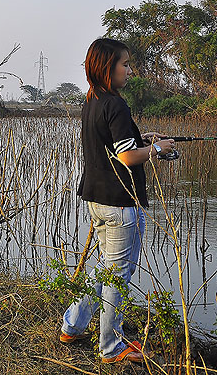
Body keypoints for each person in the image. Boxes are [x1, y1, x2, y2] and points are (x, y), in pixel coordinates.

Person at [59, 38, 176, 364]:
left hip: (97, 199)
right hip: (121, 203)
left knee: (106, 271)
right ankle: (111, 347)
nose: (129, 69)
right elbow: (126, 156)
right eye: (124, 64)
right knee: (118, 276)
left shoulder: (93, 100)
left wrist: (144, 139)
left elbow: (114, 144)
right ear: (106, 68)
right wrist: (157, 149)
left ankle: (73, 325)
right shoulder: (117, 104)